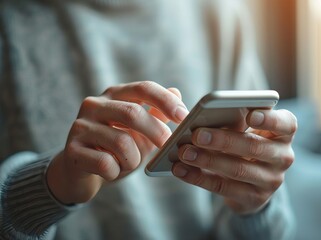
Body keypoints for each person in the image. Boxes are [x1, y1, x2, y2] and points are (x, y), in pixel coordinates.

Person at [0, 0, 297, 239]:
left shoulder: (219, 13)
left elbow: (272, 228)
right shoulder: (10, 21)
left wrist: (253, 209)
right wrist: (52, 185)